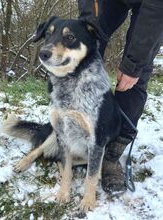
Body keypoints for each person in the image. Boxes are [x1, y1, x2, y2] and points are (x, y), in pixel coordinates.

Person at [78, 0, 163, 194]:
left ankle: (112, 154)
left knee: (135, 75)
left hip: (154, 6)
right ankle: (84, 132)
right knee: (85, 48)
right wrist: (87, 26)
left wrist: (134, 64)